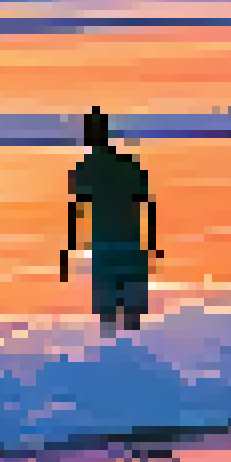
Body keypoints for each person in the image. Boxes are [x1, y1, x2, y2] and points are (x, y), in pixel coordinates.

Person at [63, 108, 161, 331]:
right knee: (129, 319)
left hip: (109, 248)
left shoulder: (85, 169)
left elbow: (75, 211)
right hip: (125, 245)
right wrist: (151, 243)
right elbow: (148, 203)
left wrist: (70, 249)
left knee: (111, 320)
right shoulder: (126, 164)